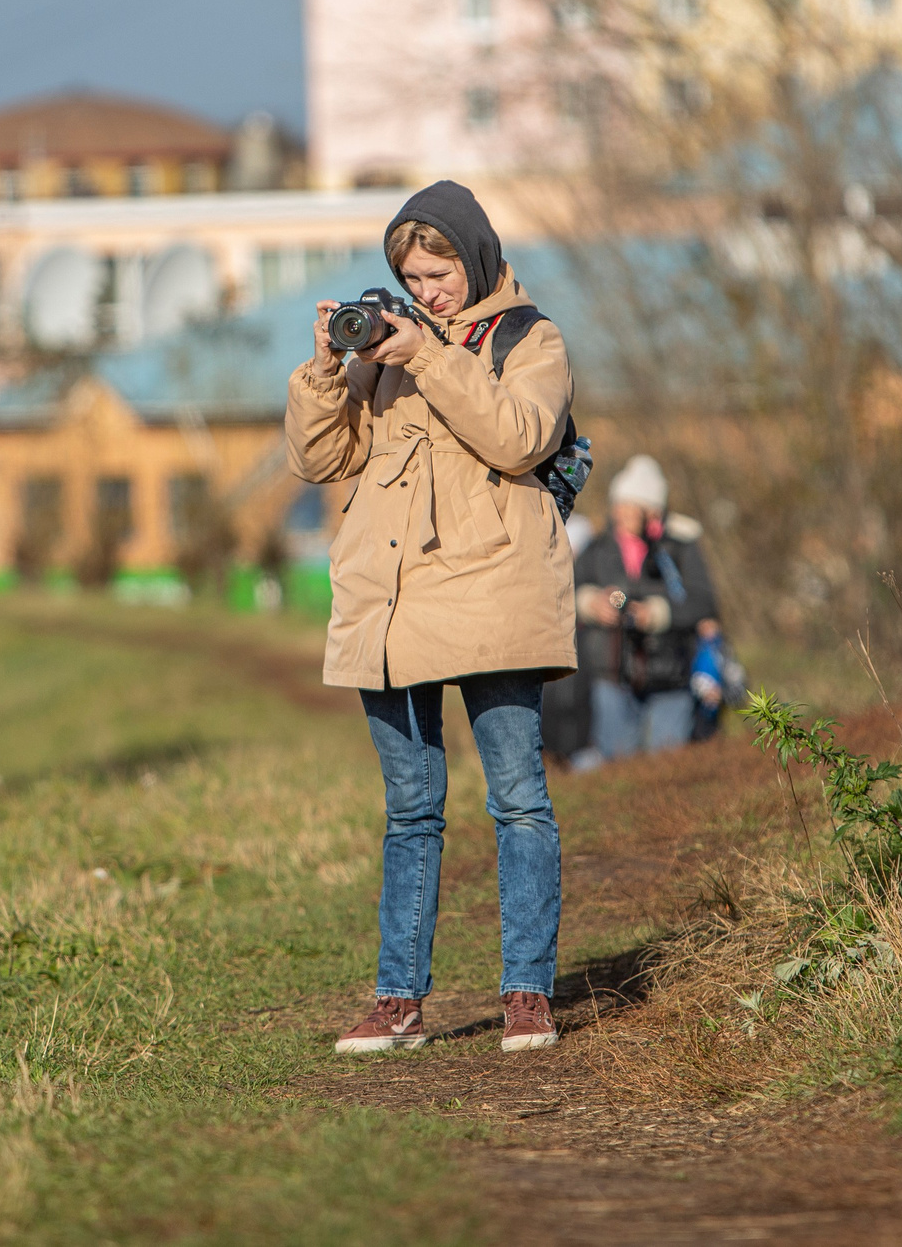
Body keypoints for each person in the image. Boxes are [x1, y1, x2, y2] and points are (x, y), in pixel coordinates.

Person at [285, 179, 575, 1056]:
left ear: (473, 256)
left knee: (518, 800)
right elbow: (320, 458)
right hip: (393, 601)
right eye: (411, 277)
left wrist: (433, 355)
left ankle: (527, 992)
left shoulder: (532, 337)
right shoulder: (386, 350)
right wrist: (328, 371)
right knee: (410, 810)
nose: (426, 293)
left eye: (438, 272)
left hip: (495, 592)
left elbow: (521, 436)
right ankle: (398, 1000)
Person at [573, 455, 721, 761]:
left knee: (667, 763)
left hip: (670, 673)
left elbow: (704, 602)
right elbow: (569, 590)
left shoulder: (680, 547)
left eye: (631, 505)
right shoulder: (598, 547)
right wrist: (591, 603)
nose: (621, 513)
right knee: (617, 765)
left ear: (652, 510)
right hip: (611, 674)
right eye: (619, 504)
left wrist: (657, 614)